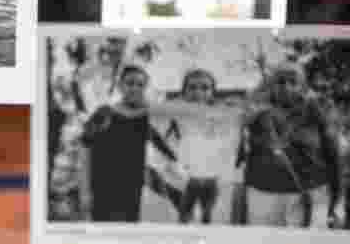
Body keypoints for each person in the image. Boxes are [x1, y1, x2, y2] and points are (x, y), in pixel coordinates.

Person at [240, 63, 341, 228]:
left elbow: (334, 157)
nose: (286, 87)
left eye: (293, 82)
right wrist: (246, 122)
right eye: (280, 82)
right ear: (270, 86)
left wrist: (336, 201)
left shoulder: (318, 113)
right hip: (263, 196)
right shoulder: (256, 114)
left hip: (311, 195)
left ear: (303, 87)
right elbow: (238, 155)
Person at [78, 64, 179, 222]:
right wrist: (84, 192)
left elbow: (168, 152)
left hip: (134, 195)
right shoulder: (104, 114)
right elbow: (84, 151)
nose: (135, 88)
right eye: (130, 83)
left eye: (140, 84)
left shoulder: (148, 118)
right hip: (103, 192)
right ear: (120, 85)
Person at [154, 69, 245, 225]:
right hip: (184, 177)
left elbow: (232, 146)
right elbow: (159, 143)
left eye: (205, 88)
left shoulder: (220, 115)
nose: (198, 92)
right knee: (184, 218)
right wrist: (172, 167)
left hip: (214, 177)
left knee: (210, 218)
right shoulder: (174, 113)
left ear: (213, 92)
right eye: (192, 87)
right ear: (183, 91)